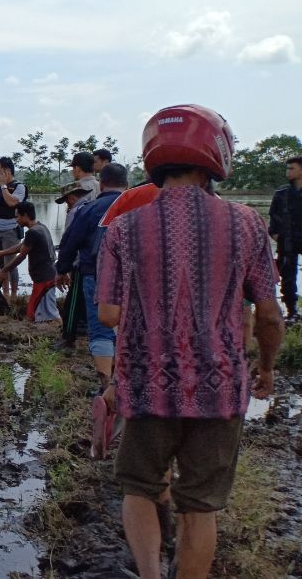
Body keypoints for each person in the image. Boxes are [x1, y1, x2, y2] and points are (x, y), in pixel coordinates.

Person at [99, 104, 284, 579]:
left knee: (139, 489)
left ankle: (150, 574)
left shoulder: (123, 228)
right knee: (200, 505)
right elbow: (268, 312)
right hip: (220, 388)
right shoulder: (246, 223)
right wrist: (265, 368)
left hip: (145, 385)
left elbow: (106, 313)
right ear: (215, 155)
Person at [56, 163, 127, 386]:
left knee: (100, 329)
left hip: (95, 275)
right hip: (133, 278)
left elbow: (70, 242)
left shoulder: (89, 209)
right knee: (129, 326)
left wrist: (62, 269)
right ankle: (126, 381)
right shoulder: (140, 208)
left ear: (102, 184)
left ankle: (106, 385)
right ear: (127, 184)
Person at [0, 202, 59, 323]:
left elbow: (22, 255)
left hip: (44, 280)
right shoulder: (41, 227)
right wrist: (2, 253)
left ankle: (62, 332)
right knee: (38, 313)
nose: (16, 219)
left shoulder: (32, 232)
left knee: (43, 313)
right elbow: (21, 246)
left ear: (26, 216)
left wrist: (4, 270)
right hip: (45, 277)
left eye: (17, 216)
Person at [54, 182, 91, 348]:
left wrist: (63, 268)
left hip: (82, 263)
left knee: (72, 302)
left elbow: (69, 241)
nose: (67, 205)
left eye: (67, 201)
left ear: (72, 197)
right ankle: (85, 329)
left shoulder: (76, 212)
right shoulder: (94, 207)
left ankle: (68, 337)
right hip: (97, 262)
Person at [268, 156, 302, 320]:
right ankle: (292, 311)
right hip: (287, 241)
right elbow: (273, 217)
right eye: (287, 168)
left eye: (292, 168)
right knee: (287, 277)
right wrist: (277, 236)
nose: (288, 172)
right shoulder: (282, 194)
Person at [0, 157, 28, 300]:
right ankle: (4, 293)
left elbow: (12, 203)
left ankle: (13, 296)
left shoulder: (19, 186)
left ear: (7, 171)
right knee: (0, 264)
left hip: (10, 230)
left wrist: (4, 187)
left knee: (10, 263)